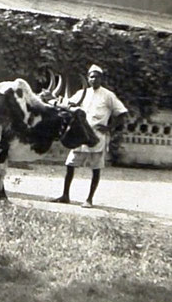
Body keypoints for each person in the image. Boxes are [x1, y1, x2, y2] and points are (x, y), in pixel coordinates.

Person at [52, 64, 128, 208]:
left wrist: (109, 127)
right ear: (88, 78)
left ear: (101, 78)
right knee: (70, 165)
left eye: (97, 76)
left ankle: (89, 199)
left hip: (96, 137)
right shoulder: (82, 93)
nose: (94, 79)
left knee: (96, 169)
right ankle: (65, 195)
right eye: (91, 76)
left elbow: (122, 113)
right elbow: (68, 105)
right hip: (80, 136)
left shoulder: (108, 95)